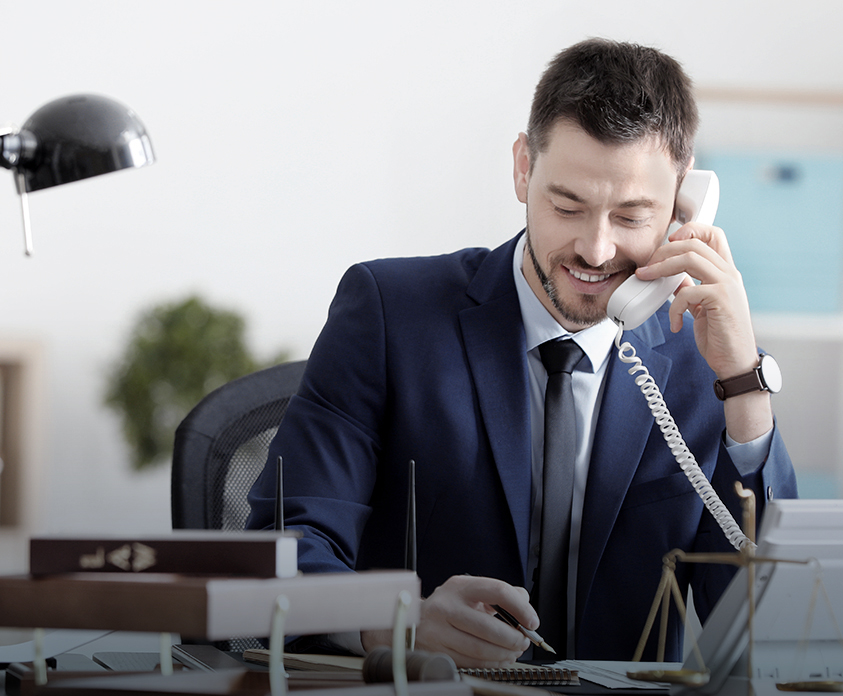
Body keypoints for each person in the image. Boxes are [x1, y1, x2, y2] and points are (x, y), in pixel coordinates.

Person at [247, 38, 797, 667]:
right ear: (522, 169)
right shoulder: (387, 313)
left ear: (683, 202)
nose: (595, 249)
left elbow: (765, 629)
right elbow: (279, 560)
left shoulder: (708, 360)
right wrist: (393, 625)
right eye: (568, 206)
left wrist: (743, 385)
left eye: (632, 216)